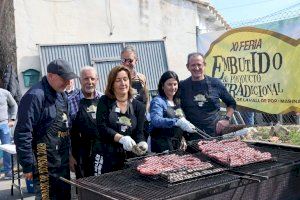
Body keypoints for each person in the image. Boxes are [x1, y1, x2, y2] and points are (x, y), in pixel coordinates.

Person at [14, 58, 78, 199]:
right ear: (50, 76)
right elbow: (22, 132)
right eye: (64, 79)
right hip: (43, 161)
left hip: (61, 160)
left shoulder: (61, 94)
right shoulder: (35, 96)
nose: (68, 83)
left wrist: (69, 154)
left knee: (64, 196)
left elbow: (65, 126)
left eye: (69, 79)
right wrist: (27, 165)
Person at [93, 65, 147, 175]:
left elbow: (140, 132)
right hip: (107, 156)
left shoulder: (139, 106)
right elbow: (102, 127)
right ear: (112, 84)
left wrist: (142, 143)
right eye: (118, 80)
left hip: (130, 158)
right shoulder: (104, 101)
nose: (122, 83)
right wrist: (121, 138)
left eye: (125, 79)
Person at [180, 53, 236, 139]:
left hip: (215, 133)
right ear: (188, 67)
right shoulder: (182, 86)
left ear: (204, 65)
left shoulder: (215, 83)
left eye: (199, 65)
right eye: (193, 65)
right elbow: (174, 105)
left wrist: (226, 119)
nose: (196, 68)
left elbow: (231, 103)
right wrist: (181, 120)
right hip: (192, 134)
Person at [69, 66, 102, 178]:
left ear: (97, 80)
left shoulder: (103, 99)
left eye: (92, 79)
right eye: (86, 79)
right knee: (85, 190)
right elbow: (65, 132)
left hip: (102, 152)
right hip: (81, 155)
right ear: (80, 80)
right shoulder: (71, 102)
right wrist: (70, 156)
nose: (90, 82)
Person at [150, 71, 195, 153]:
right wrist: (176, 122)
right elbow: (155, 120)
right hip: (162, 145)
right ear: (162, 86)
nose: (173, 87)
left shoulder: (177, 101)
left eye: (175, 84)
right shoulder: (158, 101)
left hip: (177, 144)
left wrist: (182, 137)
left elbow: (182, 121)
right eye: (169, 84)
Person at [0, 88, 18, 179]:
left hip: (3, 124)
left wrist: (13, 119)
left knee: (7, 148)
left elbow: (14, 105)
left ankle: (8, 172)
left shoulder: (5, 93)